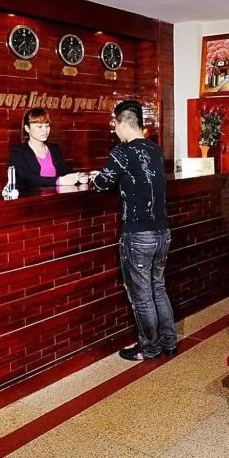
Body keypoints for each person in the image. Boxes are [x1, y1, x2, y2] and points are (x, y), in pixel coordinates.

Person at [92, 100, 177, 360]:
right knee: (158, 288)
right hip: (162, 232)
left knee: (142, 296)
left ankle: (150, 348)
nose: (115, 130)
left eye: (115, 125)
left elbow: (101, 184)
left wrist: (95, 178)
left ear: (122, 123)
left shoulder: (123, 151)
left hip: (138, 234)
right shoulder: (155, 149)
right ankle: (169, 343)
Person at [8, 107, 74, 189]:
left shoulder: (55, 148)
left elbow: (66, 172)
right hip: (33, 196)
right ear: (27, 128)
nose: (45, 130)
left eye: (47, 126)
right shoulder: (17, 152)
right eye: (39, 127)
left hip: (57, 195)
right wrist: (58, 181)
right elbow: (29, 179)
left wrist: (78, 177)